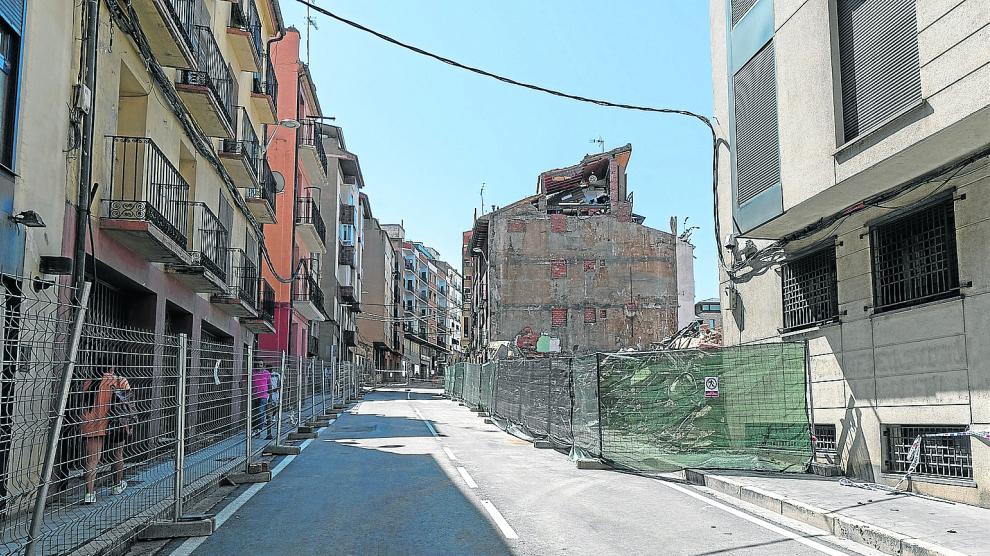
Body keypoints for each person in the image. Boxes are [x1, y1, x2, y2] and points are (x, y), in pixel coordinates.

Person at [80, 364, 132, 505]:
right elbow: (126, 404)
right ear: (112, 368)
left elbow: (85, 401)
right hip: (115, 423)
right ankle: (116, 485)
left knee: (92, 461)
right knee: (117, 454)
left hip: (92, 423)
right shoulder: (120, 381)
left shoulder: (89, 381)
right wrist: (128, 425)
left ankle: (89, 494)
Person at [252, 363, 271, 437]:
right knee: (253, 413)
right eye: (257, 364)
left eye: (260, 364)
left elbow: (269, 385)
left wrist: (270, 396)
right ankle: (254, 429)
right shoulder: (252, 372)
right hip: (253, 396)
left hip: (263, 396)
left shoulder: (266, 373)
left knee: (261, 412)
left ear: (263, 365)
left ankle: (259, 429)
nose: (258, 366)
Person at [267, 369, 281, 440]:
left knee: (275, 407)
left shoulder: (276, 375)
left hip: (275, 393)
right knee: (268, 407)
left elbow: (280, 383)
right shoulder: (266, 375)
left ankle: (273, 416)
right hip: (267, 393)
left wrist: (277, 388)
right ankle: (269, 420)